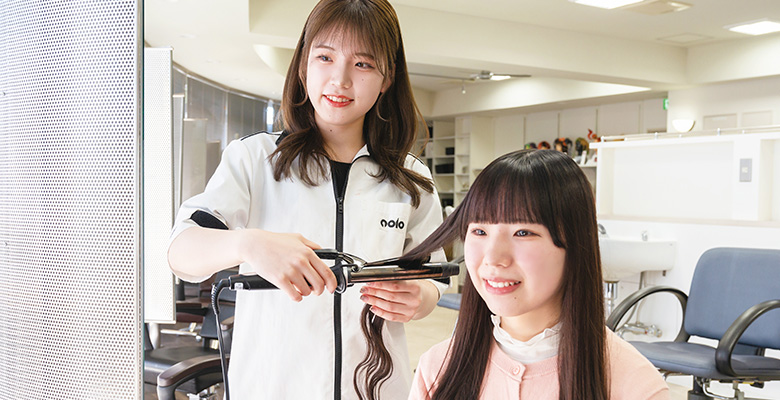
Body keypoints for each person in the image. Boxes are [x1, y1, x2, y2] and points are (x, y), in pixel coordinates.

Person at [167, 0, 447, 398]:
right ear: (303, 66)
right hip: (273, 387)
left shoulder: (410, 177)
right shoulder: (255, 159)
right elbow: (181, 252)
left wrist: (421, 299)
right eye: (325, 57)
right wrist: (249, 243)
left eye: (363, 64)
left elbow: (433, 275)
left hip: (376, 388)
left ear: (387, 78)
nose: (340, 80)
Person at [403, 149, 670, 400]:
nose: (493, 258)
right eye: (479, 231)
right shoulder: (437, 370)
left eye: (523, 232)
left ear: (576, 244)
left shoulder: (635, 386)